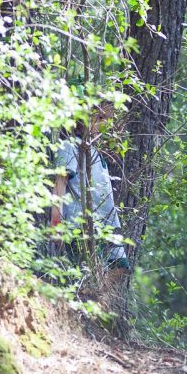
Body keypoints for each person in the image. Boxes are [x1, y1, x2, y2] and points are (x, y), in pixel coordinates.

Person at [50, 102, 128, 271]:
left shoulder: (96, 152)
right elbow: (59, 185)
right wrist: (57, 224)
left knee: (120, 269)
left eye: (108, 119)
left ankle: (104, 297)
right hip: (82, 229)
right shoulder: (70, 146)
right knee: (88, 274)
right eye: (99, 118)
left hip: (107, 228)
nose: (104, 124)